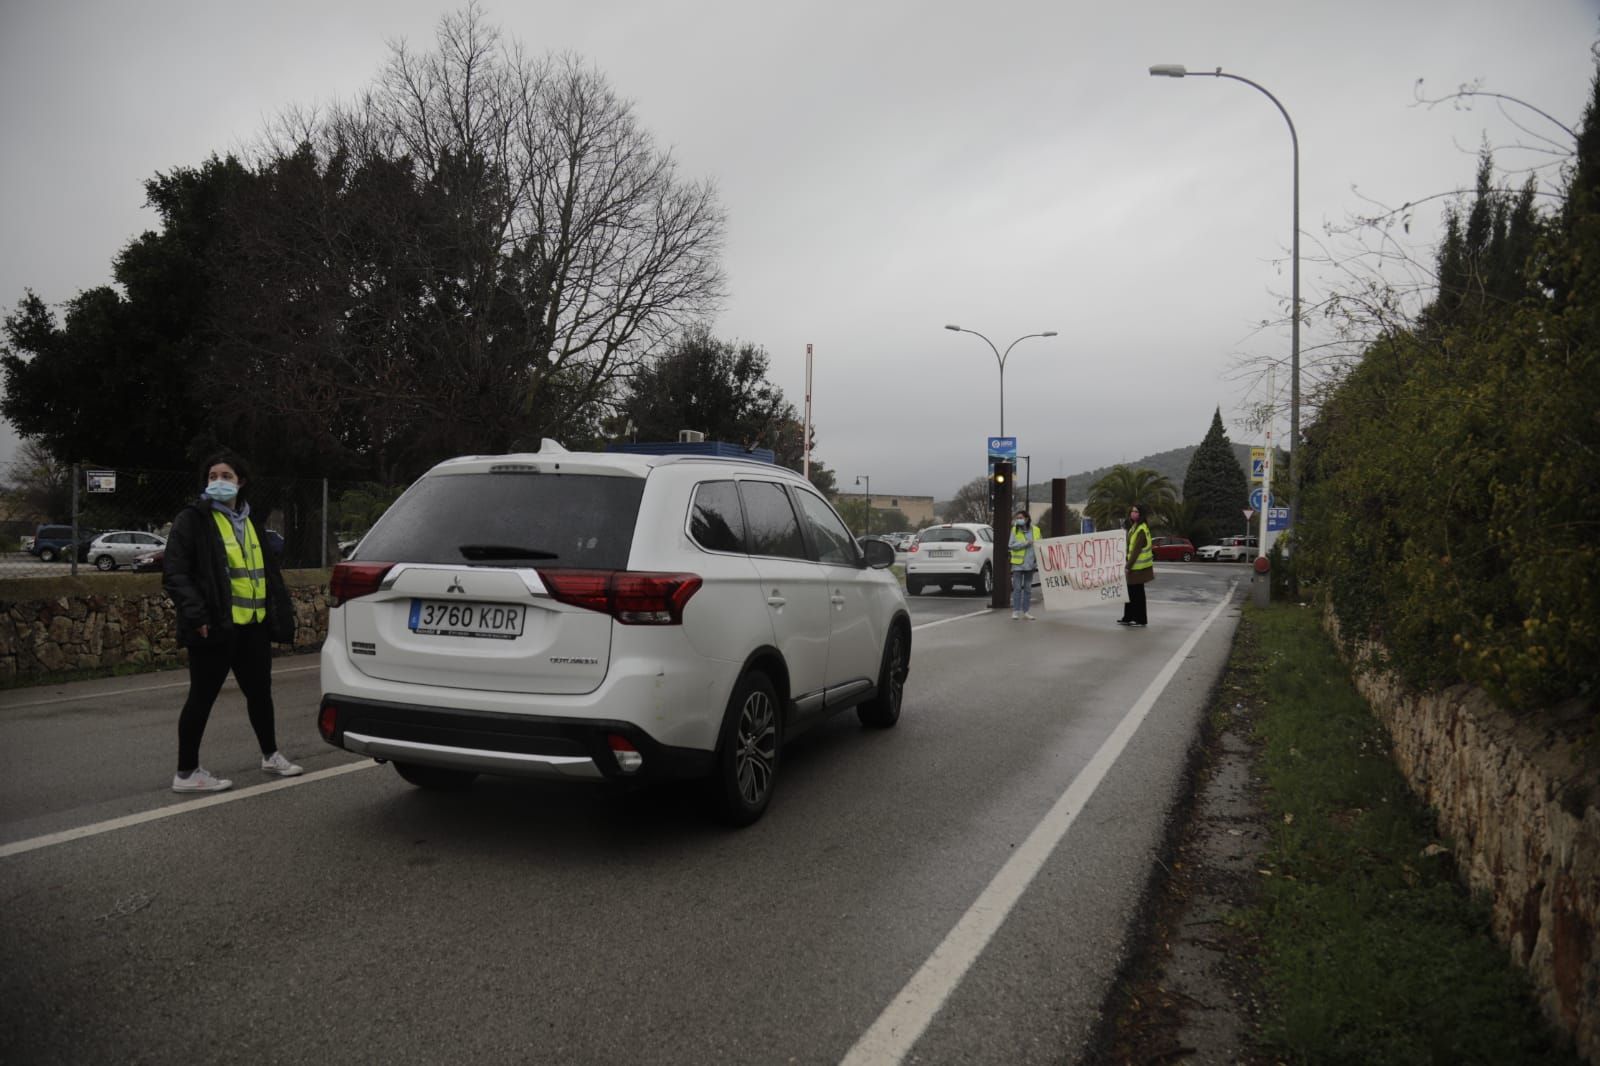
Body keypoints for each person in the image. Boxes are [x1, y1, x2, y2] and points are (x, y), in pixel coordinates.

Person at [163, 450, 301, 792]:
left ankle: (271, 755)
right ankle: (186, 773)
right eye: (212, 477)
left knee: (260, 694)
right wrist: (197, 616)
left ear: (241, 481)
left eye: (225, 476)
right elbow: (176, 573)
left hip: (253, 625)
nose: (218, 482)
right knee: (202, 697)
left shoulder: (253, 522)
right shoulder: (193, 519)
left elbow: (268, 574)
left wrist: (278, 614)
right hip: (215, 626)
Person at [1117, 503, 1155, 627]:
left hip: (1138, 568)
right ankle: (1128, 617)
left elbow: (1136, 551)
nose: (1133, 513)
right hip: (1135, 568)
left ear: (1141, 514)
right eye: (1132, 511)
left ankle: (1140, 619)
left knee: (1137, 594)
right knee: (1130, 593)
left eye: (1136, 512)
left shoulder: (1141, 529)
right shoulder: (1135, 527)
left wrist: (1128, 566)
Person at [1008, 509, 1042, 620]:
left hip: (1030, 564)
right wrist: (1025, 543)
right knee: (1017, 588)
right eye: (1017, 518)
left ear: (1027, 519)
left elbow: (1041, 544)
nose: (1019, 520)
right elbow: (1011, 545)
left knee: (1027, 589)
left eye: (1021, 518)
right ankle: (1016, 611)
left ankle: (1026, 611)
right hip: (1018, 564)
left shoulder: (1036, 530)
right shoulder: (1015, 530)